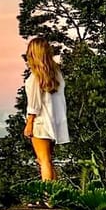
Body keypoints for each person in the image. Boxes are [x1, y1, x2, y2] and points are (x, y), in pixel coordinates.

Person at [22, 37, 70, 183]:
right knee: (48, 160)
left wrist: (29, 123)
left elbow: (34, 105)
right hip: (54, 121)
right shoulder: (56, 75)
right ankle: (55, 190)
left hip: (40, 122)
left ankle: (48, 192)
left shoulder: (35, 78)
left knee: (43, 160)